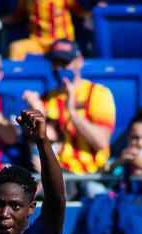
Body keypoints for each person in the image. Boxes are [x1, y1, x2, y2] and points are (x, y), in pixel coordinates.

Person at [22, 40, 115, 187]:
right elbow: (43, 141)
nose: (59, 68)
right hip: (60, 172)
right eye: (55, 63)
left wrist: (71, 110)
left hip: (93, 173)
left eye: (64, 63)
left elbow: (101, 141)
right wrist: (38, 113)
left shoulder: (98, 93)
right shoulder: (46, 99)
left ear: (79, 62)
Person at [3, 0, 89, 61]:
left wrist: (91, 14)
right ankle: (17, 84)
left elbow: (79, 11)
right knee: (16, 48)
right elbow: (18, 16)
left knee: (62, 56)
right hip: (37, 41)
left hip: (61, 40)